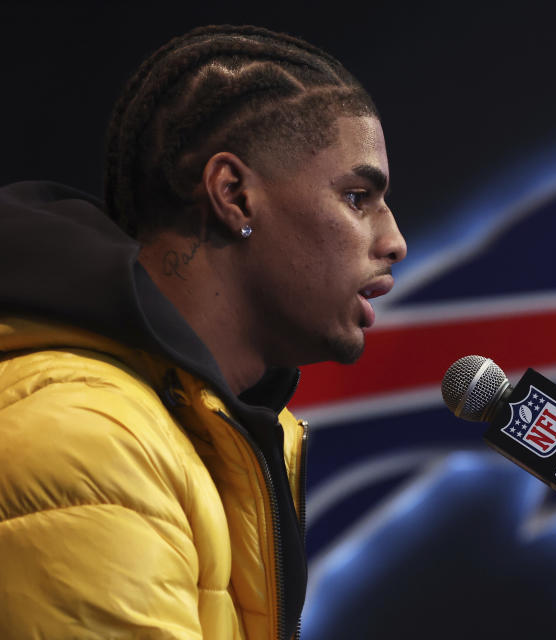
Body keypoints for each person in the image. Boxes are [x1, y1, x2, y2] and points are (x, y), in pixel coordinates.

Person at [0, 24, 406, 639]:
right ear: (234, 196)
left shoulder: (189, 433)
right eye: (357, 197)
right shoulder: (92, 442)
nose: (393, 241)